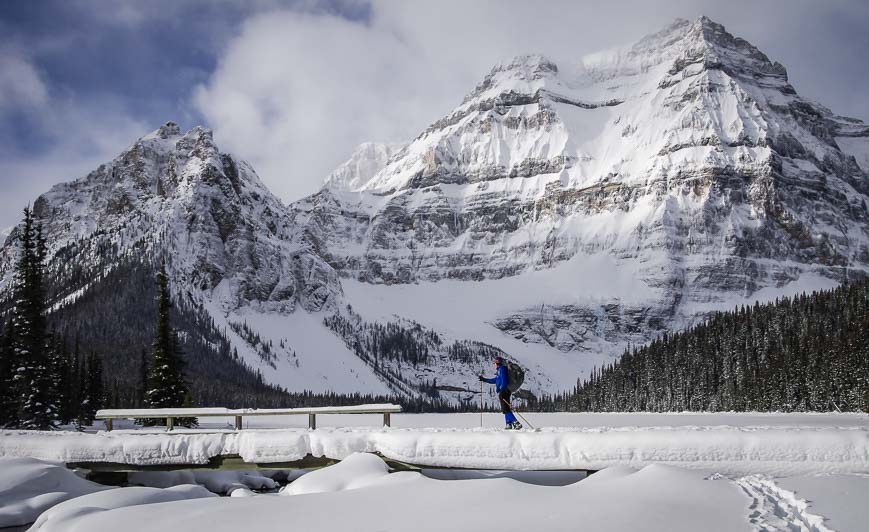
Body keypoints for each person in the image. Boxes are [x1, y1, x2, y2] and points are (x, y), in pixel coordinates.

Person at [479, 356, 522, 430]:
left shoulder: (502, 369)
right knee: (506, 408)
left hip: (504, 391)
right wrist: (484, 380)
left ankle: (516, 422)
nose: (493, 364)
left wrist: (501, 389)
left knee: (505, 409)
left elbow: (505, 380)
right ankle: (508, 424)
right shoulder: (500, 370)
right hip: (505, 390)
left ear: (497, 363)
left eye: (494, 363)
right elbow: (495, 380)